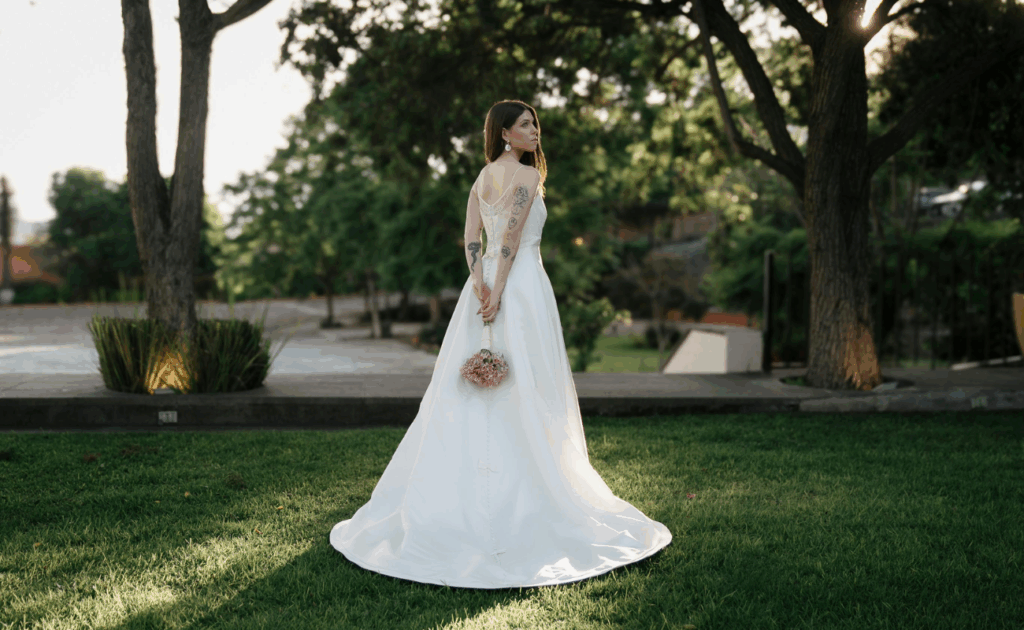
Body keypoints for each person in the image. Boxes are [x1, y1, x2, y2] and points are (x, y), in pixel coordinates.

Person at [329, 100, 672, 588]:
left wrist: (480, 284)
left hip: (485, 284)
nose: (535, 131)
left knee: (477, 392)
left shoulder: (480, 178)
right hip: (521, 285)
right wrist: (501, 288)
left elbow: (474, 239)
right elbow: (508, 237)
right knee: (527, 384)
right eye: (526, 124)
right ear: (506, 134)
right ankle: (526, 496)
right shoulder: (527, 178)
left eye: (535, 123)